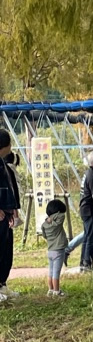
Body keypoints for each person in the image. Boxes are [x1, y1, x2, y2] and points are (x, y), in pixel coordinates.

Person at [0, 129, 22, 300]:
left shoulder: (3, 164)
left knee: (6, 250)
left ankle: (2, 284)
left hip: (6, 213)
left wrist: (13, 209)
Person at [41, 199, 68, 296]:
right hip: (59, 250)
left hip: (50, 250)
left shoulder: (44, 225)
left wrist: (49, 218)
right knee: (56, 272)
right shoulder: (58, 221)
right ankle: (57, 291)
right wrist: (53, 217)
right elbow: (61, 215)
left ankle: (51, 290)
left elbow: (44, 236)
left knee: (51, 271)